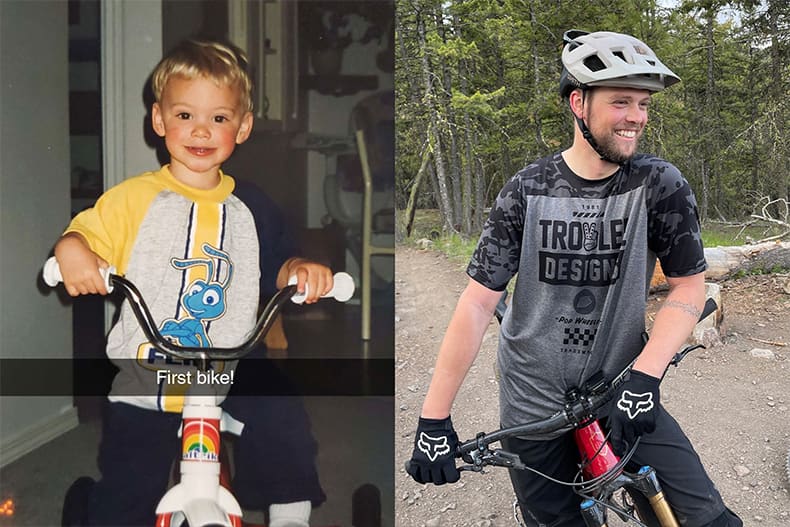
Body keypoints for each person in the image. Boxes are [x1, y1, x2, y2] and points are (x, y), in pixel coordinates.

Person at [406, 30, 742, 526]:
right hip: (533, 403)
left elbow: (688, 287)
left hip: (621, 388)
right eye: (621, 101)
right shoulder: (527, 189)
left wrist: (646, 377)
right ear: (578, 103)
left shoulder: (658, 184)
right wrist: (433, 419)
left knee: (705, 519)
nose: (636, 117)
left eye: (643, 103)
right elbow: (478, 303)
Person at [54, 39, 328, 527]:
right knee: (128, 482)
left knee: (282, 418)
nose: (201, 130)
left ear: (242, 127)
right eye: (185, 115)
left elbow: (279, 265)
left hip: (233, 362)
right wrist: (73, 251)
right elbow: (87, 234)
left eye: (219, 118)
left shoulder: (252, 206)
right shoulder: (133, 199)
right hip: (149, 370)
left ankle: (291, 516)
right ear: (159, 120)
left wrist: (299, 271)